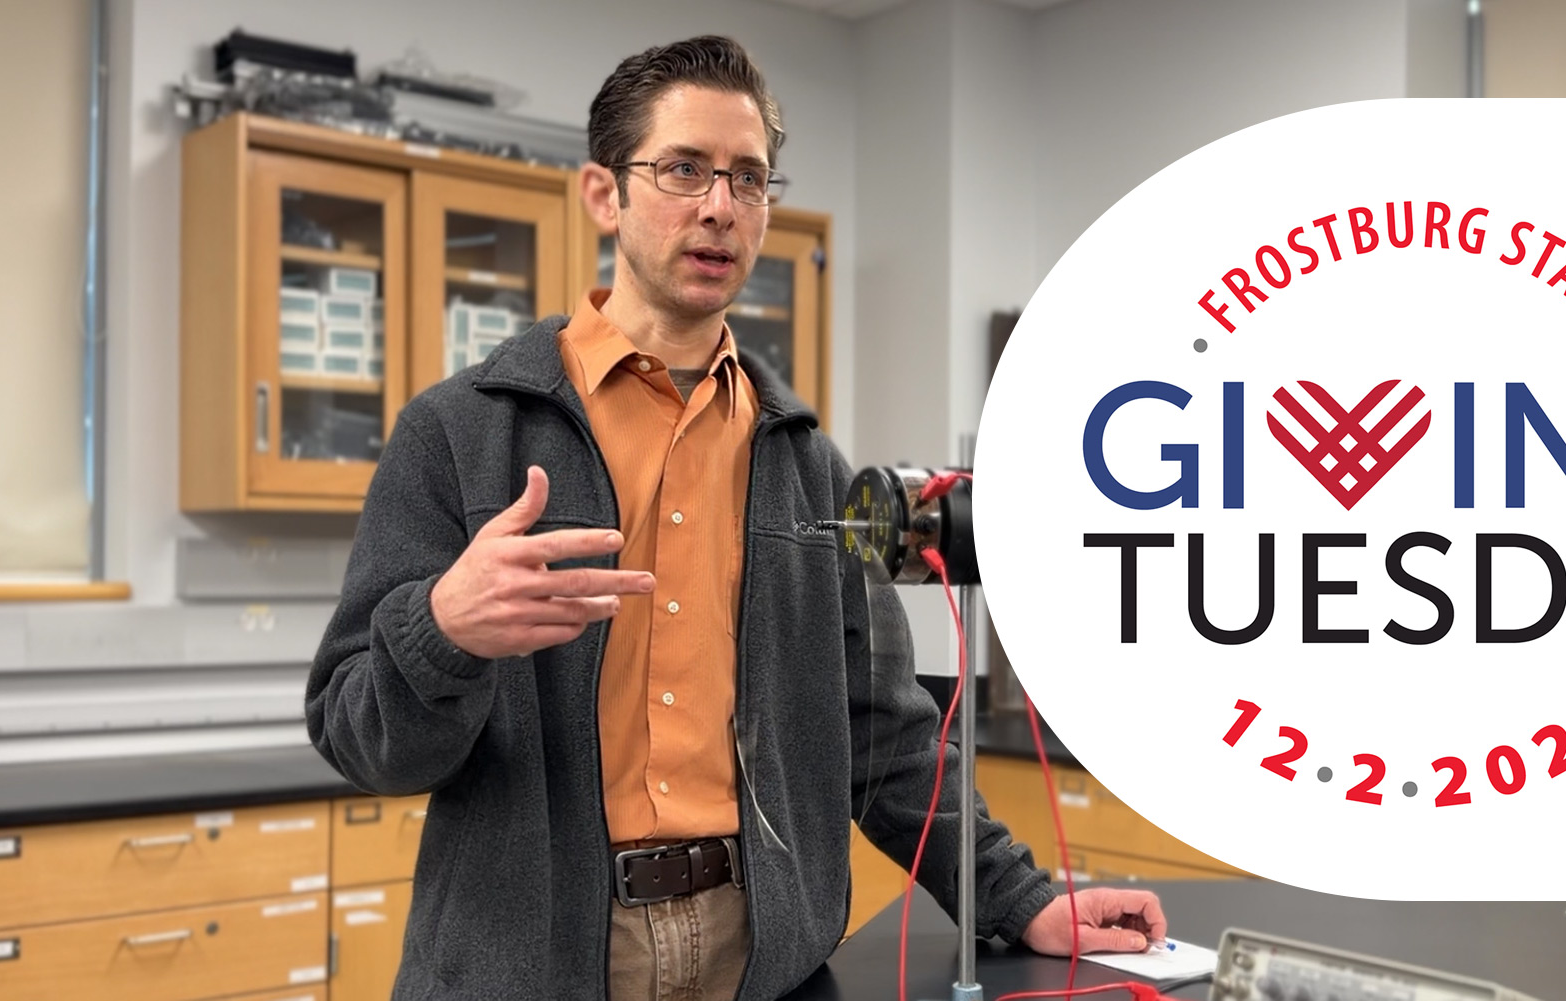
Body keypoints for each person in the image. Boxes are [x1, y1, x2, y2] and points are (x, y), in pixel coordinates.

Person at [306, 34, 1166, 1001]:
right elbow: (358, 736)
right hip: (532, 965)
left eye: (749, 179)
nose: (720, 206)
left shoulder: (801, 461)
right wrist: (445, 630)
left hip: (757, 959)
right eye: (682, 170)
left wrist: (1019, 897)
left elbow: (882, 730)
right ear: (604, 194)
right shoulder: (461, 435)